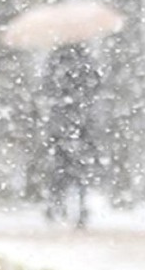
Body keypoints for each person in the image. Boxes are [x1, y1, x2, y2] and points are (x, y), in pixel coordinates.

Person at [38, 43, 101, 227]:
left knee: (60, 167)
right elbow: (96, 85)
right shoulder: (85, 59)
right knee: (78, 168)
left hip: (62, 122)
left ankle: (57, 205)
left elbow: (47, 87)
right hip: (80, 122)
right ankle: (77, 208)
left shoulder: (56, 59)